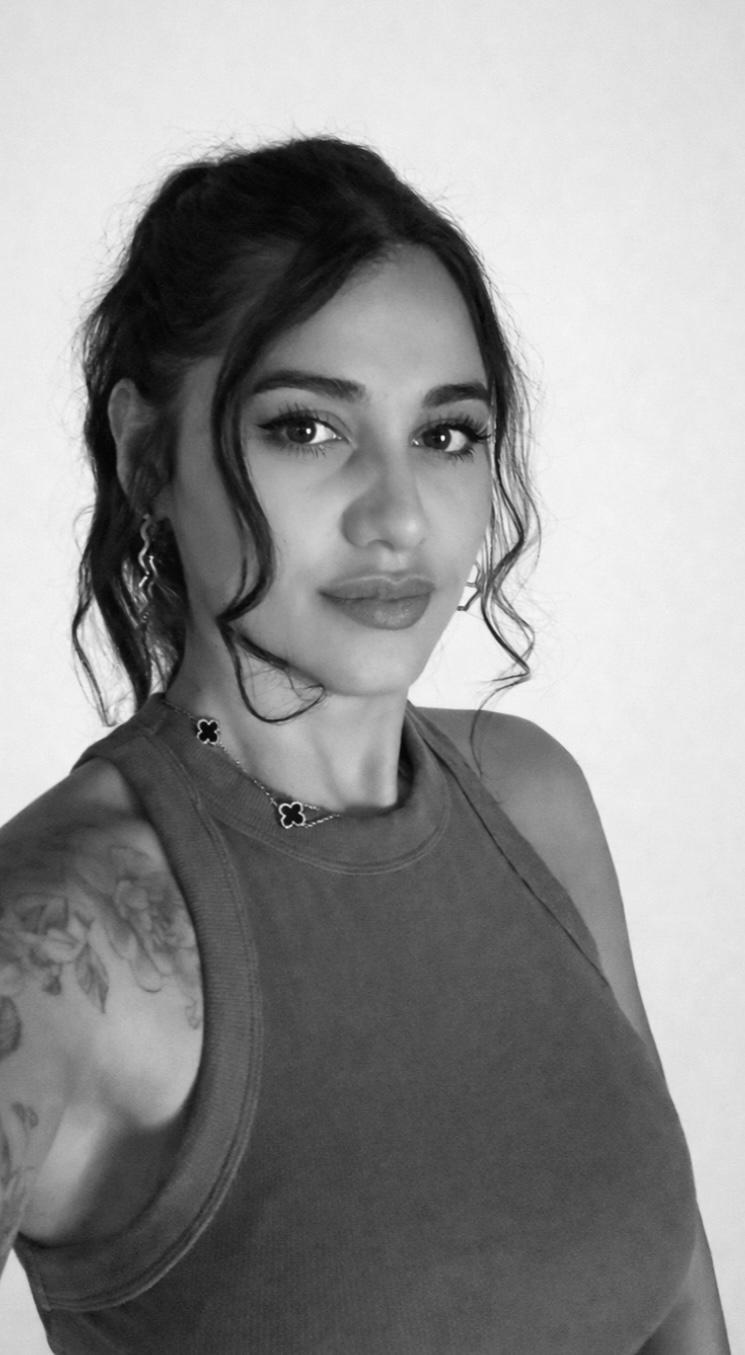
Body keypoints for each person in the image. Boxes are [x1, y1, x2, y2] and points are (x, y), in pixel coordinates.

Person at [0, 135, 730, 1354]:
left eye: (446, 434)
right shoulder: (59, 939)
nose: (398, 515)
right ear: (145, 454)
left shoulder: (529, 797)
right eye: (306, 428)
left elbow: (681, 1306)